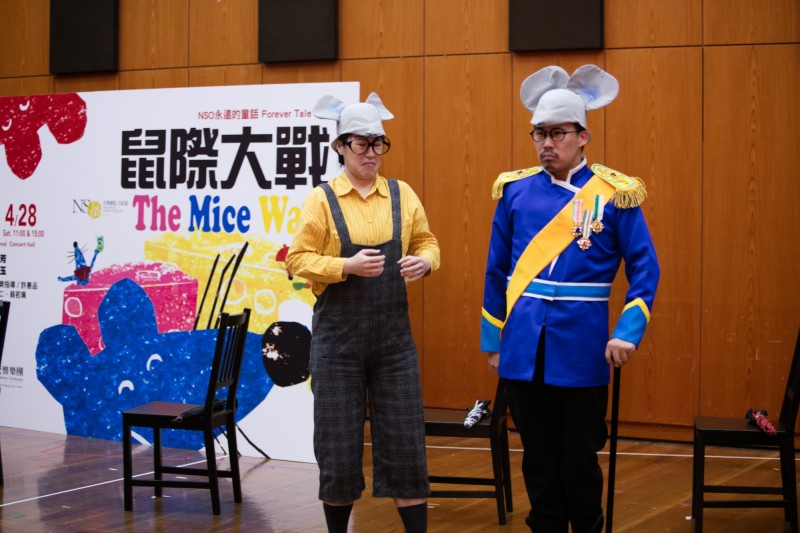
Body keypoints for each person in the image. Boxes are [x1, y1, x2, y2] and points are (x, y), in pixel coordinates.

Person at [480, 65, 660, 533]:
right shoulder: (514, 191)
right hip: (523, 346)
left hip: (582, 344)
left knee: (579, 456)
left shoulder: (616, 194)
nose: (547, 143)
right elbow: (496, 271)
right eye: (539, 133)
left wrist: (627, 333)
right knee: (537, 455)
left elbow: (645, 269)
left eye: (558, 133)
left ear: (583, 137)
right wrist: (494, 341)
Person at [286, 92, 440, 533]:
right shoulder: (321, 199)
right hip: (338, 345)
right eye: (361, 143)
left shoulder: (402, 194)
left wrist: (426, 262)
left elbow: (427, 241)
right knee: (337, 446)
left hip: (394, 344)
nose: (371, 153)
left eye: (378, 143)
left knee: (407, 446)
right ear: (340, 146)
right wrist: (345, 267)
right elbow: (297, 259)